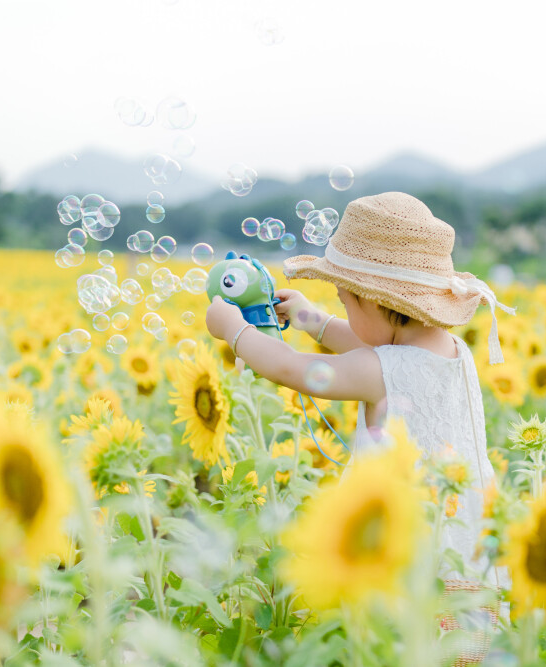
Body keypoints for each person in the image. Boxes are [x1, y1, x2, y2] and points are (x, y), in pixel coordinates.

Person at [204, 191, 514, 589]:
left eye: (345, 302)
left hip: (399, 546)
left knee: (398, 641)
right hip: (461, 533)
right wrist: (309, 318)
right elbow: (376, 347)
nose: (343, 311)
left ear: (376, 300)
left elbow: (290, 368)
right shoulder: (452, 351)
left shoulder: (378, 370)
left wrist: (233, 329)